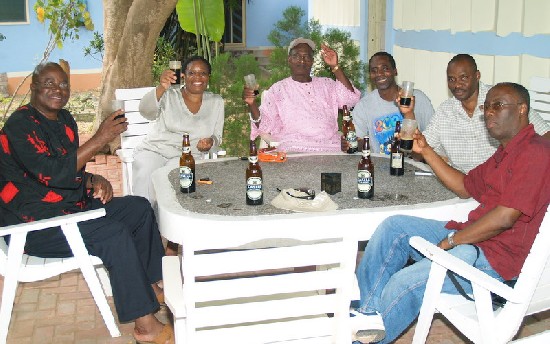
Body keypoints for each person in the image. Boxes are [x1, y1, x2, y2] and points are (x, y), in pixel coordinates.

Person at [351, 82, 550, 344]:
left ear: (523, 109)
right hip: (475, 238)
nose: (489, 112)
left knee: (405, 282)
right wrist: (426, 151)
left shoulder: (536, 152)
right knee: (394, 226)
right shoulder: (505, 152)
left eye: (498, 105)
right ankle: (367, 316)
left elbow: (505, 217)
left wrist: (454, 240)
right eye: (486, 107)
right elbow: (466, 186)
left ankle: (363, 339)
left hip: (495, 262)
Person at [0, 62, 173, 344]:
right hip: (35, 225)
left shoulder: (64, 120)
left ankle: (149, 286)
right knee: (113, 234)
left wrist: (91, 179)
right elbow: (51, 172)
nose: (58, 89)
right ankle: (145, 326)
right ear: (33, 87)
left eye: (63, 84)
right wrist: (101, 138)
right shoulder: (20, 126)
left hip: (67, 207)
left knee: (138, 208)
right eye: (49, 83)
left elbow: (66, 169)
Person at [424, 53, 550, 173]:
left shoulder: (502, 99)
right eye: (451, 79)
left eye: (463, 78)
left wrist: (526, 165)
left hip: (502, 179)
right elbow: (421, 147)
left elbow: (546, 136)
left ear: (477, 76)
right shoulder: (445, 111)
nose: (457, 85)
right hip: (463, 182)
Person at [243, 37, 361, 152]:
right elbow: (264, 125)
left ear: (312, 61)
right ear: (289, 59)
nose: (302, 61)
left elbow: (350, 100)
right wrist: (252, 104)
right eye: (297, 56)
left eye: (307, 57)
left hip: (330, 146)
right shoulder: (278, 89)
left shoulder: (327, 84)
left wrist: (335, 66)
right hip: (294, 147)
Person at [134, 55, 224, 200]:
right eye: (192, 73)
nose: (197, 77)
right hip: (155, 150)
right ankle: (142, 218)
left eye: (202, 73)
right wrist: (161, 87)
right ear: (183, 76)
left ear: (208, 77)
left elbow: (217, 137)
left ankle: (168, 219)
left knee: (180, 180)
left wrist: (210, 142)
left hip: (187, 156)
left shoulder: (216, 102)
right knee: (146, 173)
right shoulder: (169, 95)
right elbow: (145, 111)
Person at [345, 52, 434, 155]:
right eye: (374, 70)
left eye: (385, 68)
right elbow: (359, 141)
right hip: (380, 166)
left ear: (395, 71)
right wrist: (350, 144)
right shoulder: (363, 106)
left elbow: (433, 138)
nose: (379, 74)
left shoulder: (418, 98)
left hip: (414, 164)